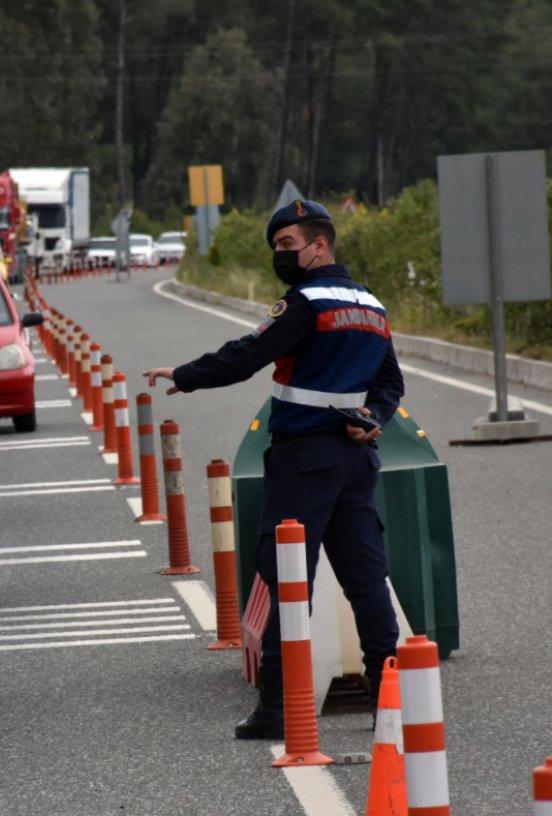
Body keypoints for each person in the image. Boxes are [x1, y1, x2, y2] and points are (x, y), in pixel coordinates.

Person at [143, 200, 404, 740]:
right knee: (366, 579)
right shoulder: (371, 306)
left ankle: (278, 708)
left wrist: (188, 375)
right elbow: (389, 385)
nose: (281, 256)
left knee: (288, 577)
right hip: (356, 458)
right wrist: (372, 420)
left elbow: (250, 353)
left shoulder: (305, 302)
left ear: (320, 244)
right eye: (277, 248)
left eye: (288, 246)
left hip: (304, 456)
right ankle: (389, 702)